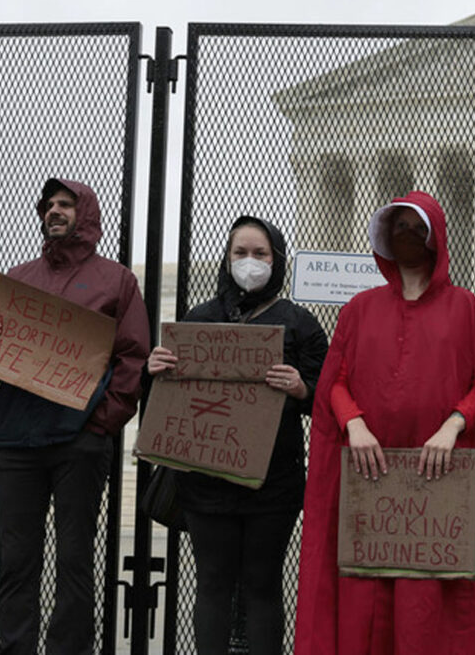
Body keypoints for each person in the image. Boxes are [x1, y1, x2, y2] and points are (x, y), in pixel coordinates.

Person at [294, 190, 475, 654]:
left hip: (438, 483)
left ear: (435, 240)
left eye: (418, 229)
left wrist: (454, 423)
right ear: (386, 237)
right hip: (373, 480)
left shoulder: (465, 308)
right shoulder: (359, 309)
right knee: (370, 591)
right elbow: (336, 381)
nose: (409, 237)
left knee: (431, 601)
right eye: (400, 228)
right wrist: (354, 422)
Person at [0, 178, 149, 654]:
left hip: (78, 443)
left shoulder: (116, 280)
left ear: (85, 214)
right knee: (16, 562)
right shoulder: (19, 279)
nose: (55, 210)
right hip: (16, 440)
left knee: (74, 559)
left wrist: (99, 423)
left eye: (65, 204)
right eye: (49, 205)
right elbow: (2, 358)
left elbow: (134, 359)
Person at [147, 215, 328, 654]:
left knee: (263, 585)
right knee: (212, 582)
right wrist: (153, 371)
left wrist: (302, 388)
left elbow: (327, 396)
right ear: (227, 260)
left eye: (260, 254)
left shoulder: (301, 323)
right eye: (240, 253)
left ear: (277, 260)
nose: (250, 262)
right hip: (207, 481)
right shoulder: (199, 318)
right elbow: (170, 397)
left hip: (273, 483)